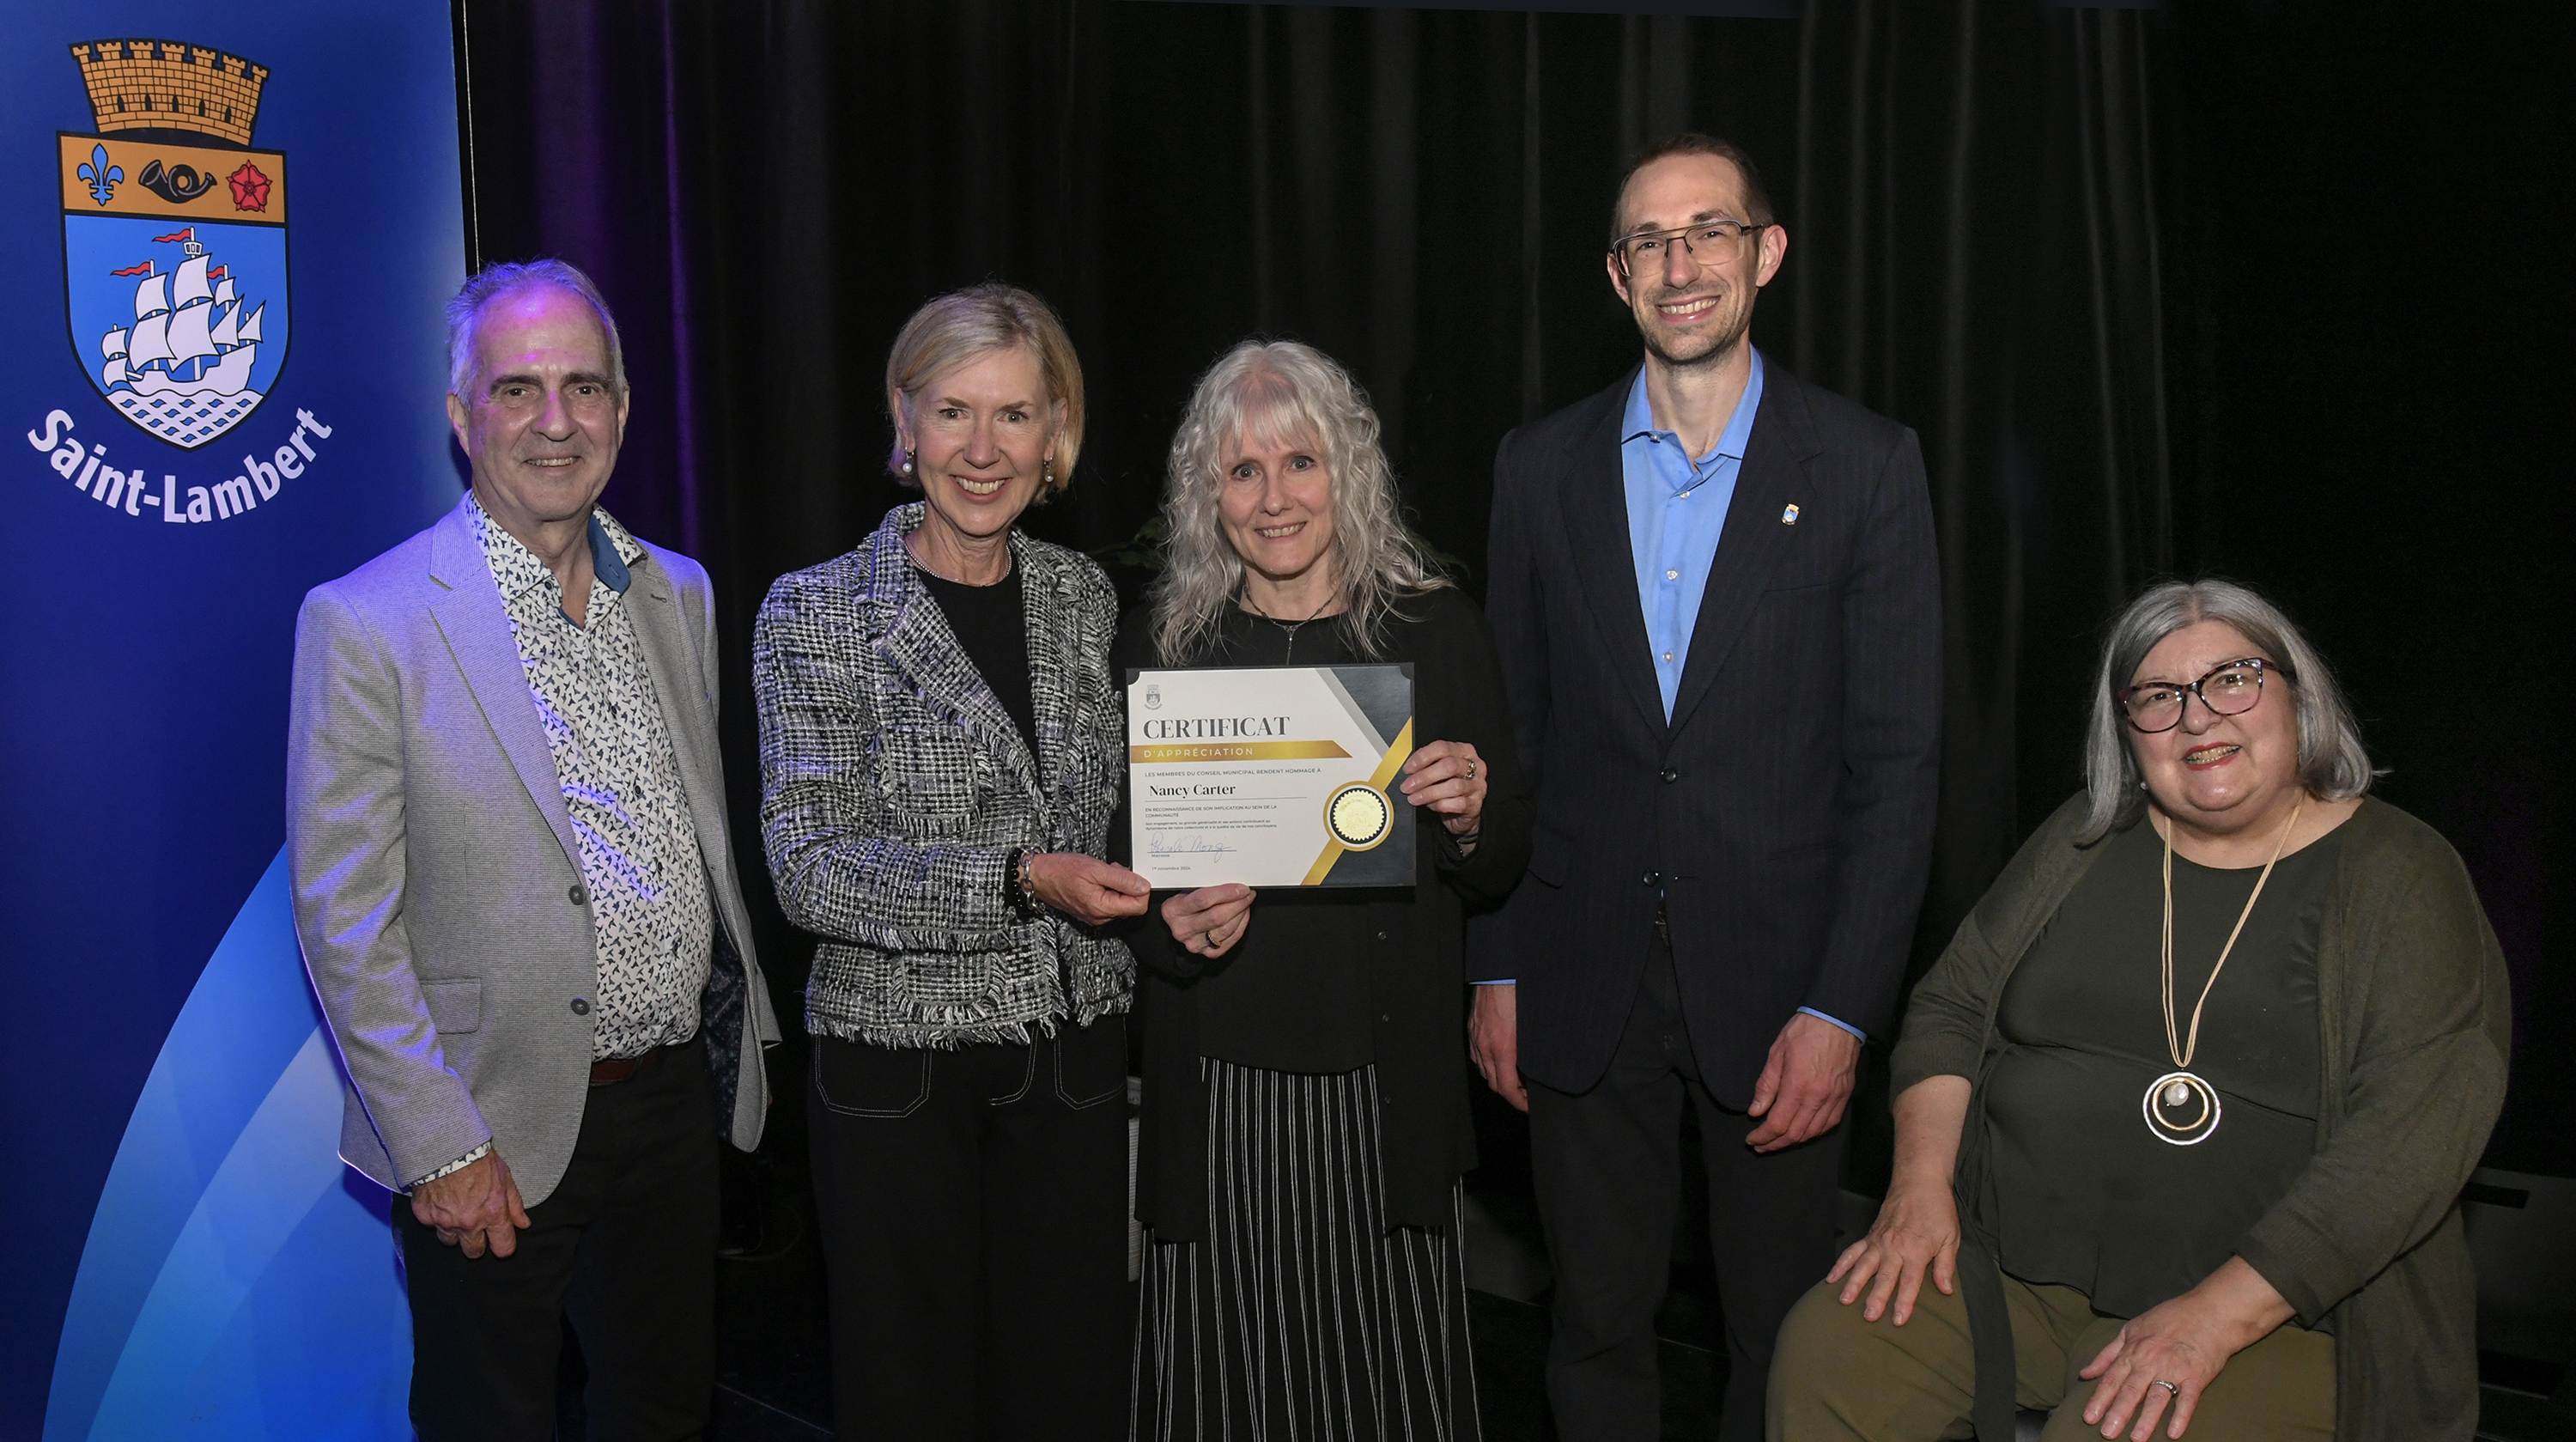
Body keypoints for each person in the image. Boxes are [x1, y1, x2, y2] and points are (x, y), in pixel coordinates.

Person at [1769, 579, 2509, 1442]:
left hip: (2284, 1315)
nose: (2197, 718)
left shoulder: (2401, 873)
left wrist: (2216, 1315)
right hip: (2010, 1275)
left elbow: (2413, 1141)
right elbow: (1951, 1003)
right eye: (2158, 697)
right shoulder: (2084, 839)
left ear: (2298, 695)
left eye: (2233, 678)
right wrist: (1917, 1187)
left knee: (2116, 1429)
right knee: (1831, 1349)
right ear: (2126, 732)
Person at [1468, 133, 1943, 1442]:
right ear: (1616, 274)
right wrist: (1495, 967)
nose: (1681, 266)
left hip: (1782, 990)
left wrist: (1844, 1007)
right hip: (1579, 973)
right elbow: (1510, 742)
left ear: (1765, 253)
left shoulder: (1864, 467)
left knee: (1783, 1342)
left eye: (1709, 232)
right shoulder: (1538, 467)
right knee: (1594, 1324)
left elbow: (1898, 770)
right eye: (1650, 242)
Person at [287, 258, 779, 1441]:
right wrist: (443, 1144)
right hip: (488, 1123)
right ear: (463, 420)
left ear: (621, 407)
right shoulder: (368, 621)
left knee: (662, 1415)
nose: (556, 421)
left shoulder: (681, 591)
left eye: (584, 385)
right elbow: (342, 916)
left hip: (669, 1106)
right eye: (516, 390)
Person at [1121, 340, 1534, 1441]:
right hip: (1218, 1103)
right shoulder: (1171, 645)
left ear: (1346, 470)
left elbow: (1497, 868)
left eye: (1299, 462)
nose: (1274, 498)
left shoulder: (1434, 628)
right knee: (1223, 1390)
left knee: (1384, 1392)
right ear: (1208, 493)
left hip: (1380, 1096)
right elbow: (1130, 882)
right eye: (1242, 471)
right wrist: (1169, 923)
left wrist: (1475, 808)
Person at [753, 283, 1144, 1441]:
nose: (984, 450)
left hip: (1070, 1058)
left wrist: (1191, 889)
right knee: (909, 1398)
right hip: (897, 1078)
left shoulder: (1082, 596)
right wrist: (1020, 878)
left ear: (1055, 431)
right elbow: (810, 866)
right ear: (904, 419)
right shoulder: (813, 610)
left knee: (1071, 1390)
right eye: (955, 411)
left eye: (1016, 415)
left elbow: (1114, 816)